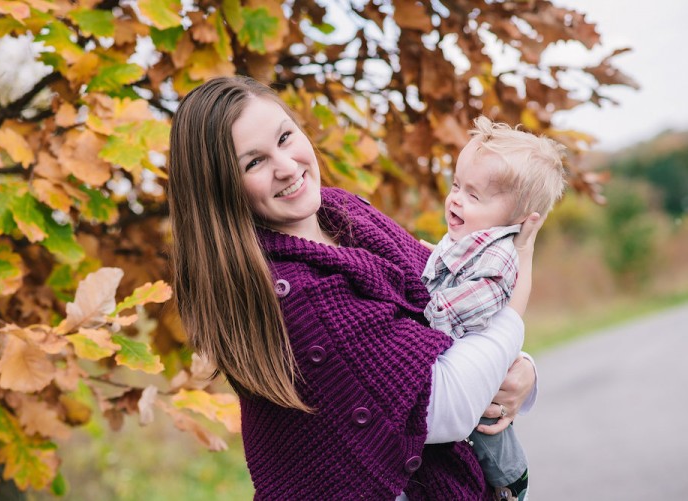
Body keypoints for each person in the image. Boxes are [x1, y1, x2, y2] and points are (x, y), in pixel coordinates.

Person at [168, 75, 542, 500]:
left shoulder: (343, 211)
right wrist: (514, 310)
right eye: (254, 162)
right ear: (220, 188)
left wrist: (522, 368)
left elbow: (454, 307)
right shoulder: (289, 291)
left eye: (286, 137)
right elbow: (447, 405)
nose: (287, 167)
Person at [421, 116, 566, 500]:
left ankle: (513, 483)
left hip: (475, 367)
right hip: (467, 368)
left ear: (516, 220)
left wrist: (427, 310)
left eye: (474, 196)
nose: (456, 199)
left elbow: (481, 302)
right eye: (456, 186)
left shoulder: (497, 255)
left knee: (491, 436)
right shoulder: (465, 241)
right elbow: (435, 263)